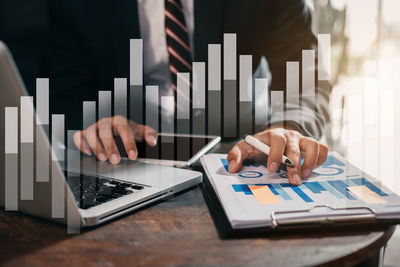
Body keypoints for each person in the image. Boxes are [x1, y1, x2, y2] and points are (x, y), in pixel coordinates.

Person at [50, 0, 330, 185]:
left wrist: (287, 128)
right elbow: (68, 97)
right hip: (127, 162)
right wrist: (93, 127)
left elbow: (305, 76)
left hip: (240, 150)